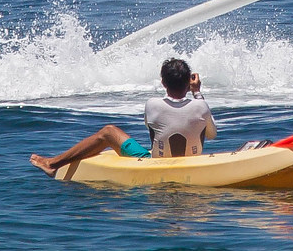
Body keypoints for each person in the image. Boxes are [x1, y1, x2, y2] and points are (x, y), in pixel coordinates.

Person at [29, 58, 216, 177]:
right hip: (193, 161)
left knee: (109, 132)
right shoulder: (200, 105)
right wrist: (197, 93)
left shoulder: (152, 104)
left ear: (163, 83)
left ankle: (53, 163)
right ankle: (52, 163)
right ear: (189, 83)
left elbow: (150, 125)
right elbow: (212, 134)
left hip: (155, 162)